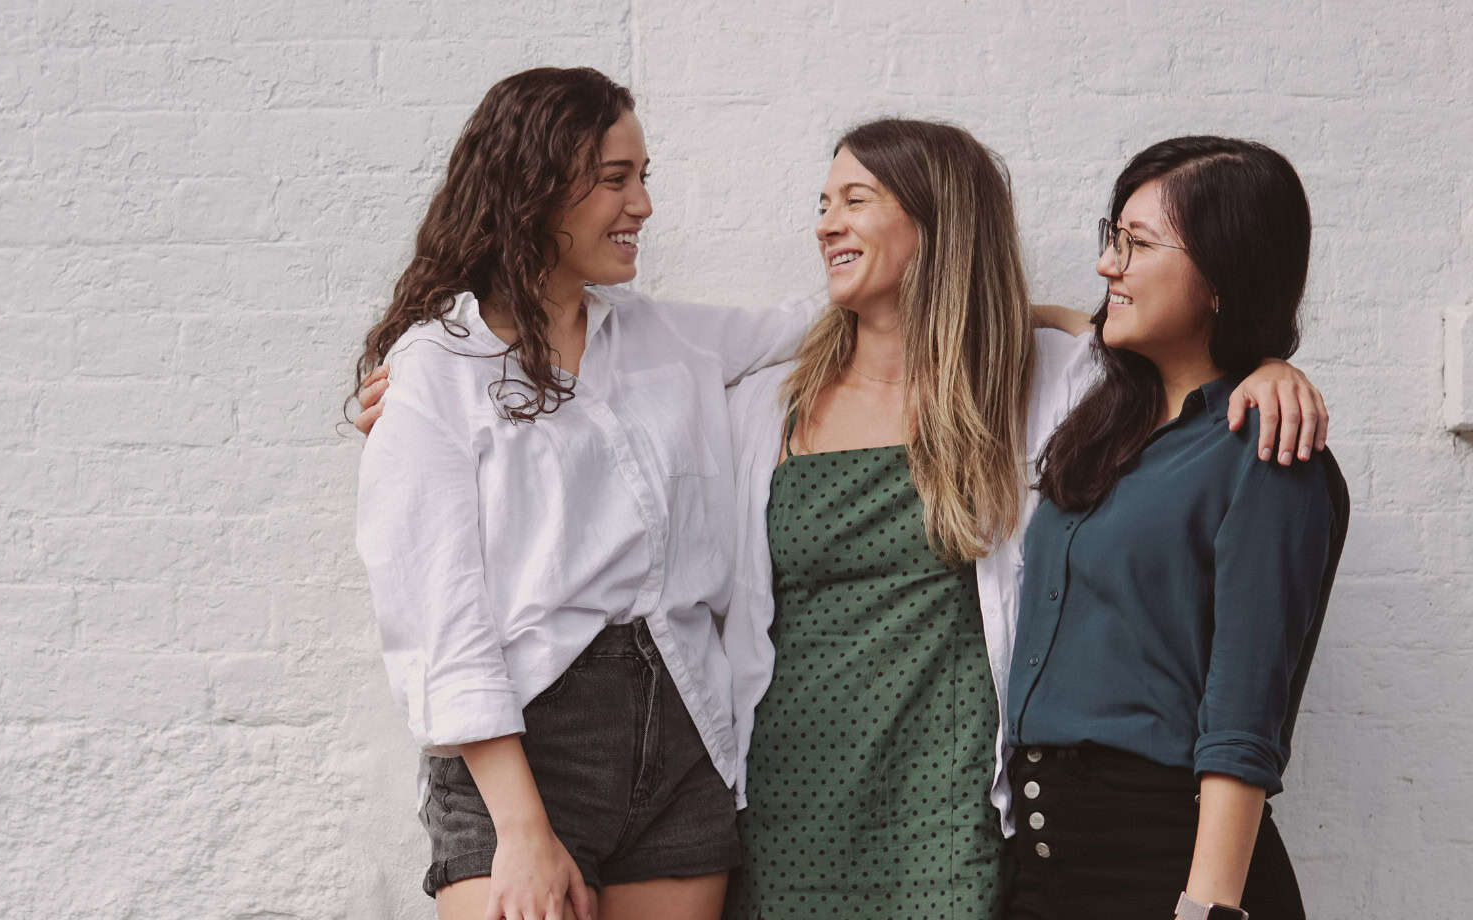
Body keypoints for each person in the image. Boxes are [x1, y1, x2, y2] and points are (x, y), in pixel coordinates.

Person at [714, 120, 1331, 919]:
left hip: (958, 815)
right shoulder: (763, 405)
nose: (826, 221)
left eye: (855, 199)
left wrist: (1270, 369)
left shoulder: (1042, 386)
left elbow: (1170, 361)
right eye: (823, 202)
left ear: (939, 222)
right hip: (798, 792)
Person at [353, 66, 819, 920]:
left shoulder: (664, 337)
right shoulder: (437, 369)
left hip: (682, 726)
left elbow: (824, 320)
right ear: (535, 186)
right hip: (525, 745)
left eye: (643, 178)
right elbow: (438, 615)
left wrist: (1031, 318)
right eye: (616, 179)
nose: (641, 204)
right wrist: (522, 830)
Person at [1002, 136, 1347, 920]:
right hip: (1043, 861)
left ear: (1224, 276)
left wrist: (1208, 908)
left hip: (1168, 867)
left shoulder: (1262, 446)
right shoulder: (1109, 418)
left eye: (1138, 244)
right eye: (1111, 237)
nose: (1107, 266)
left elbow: (1244, 715)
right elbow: (1052, 322)